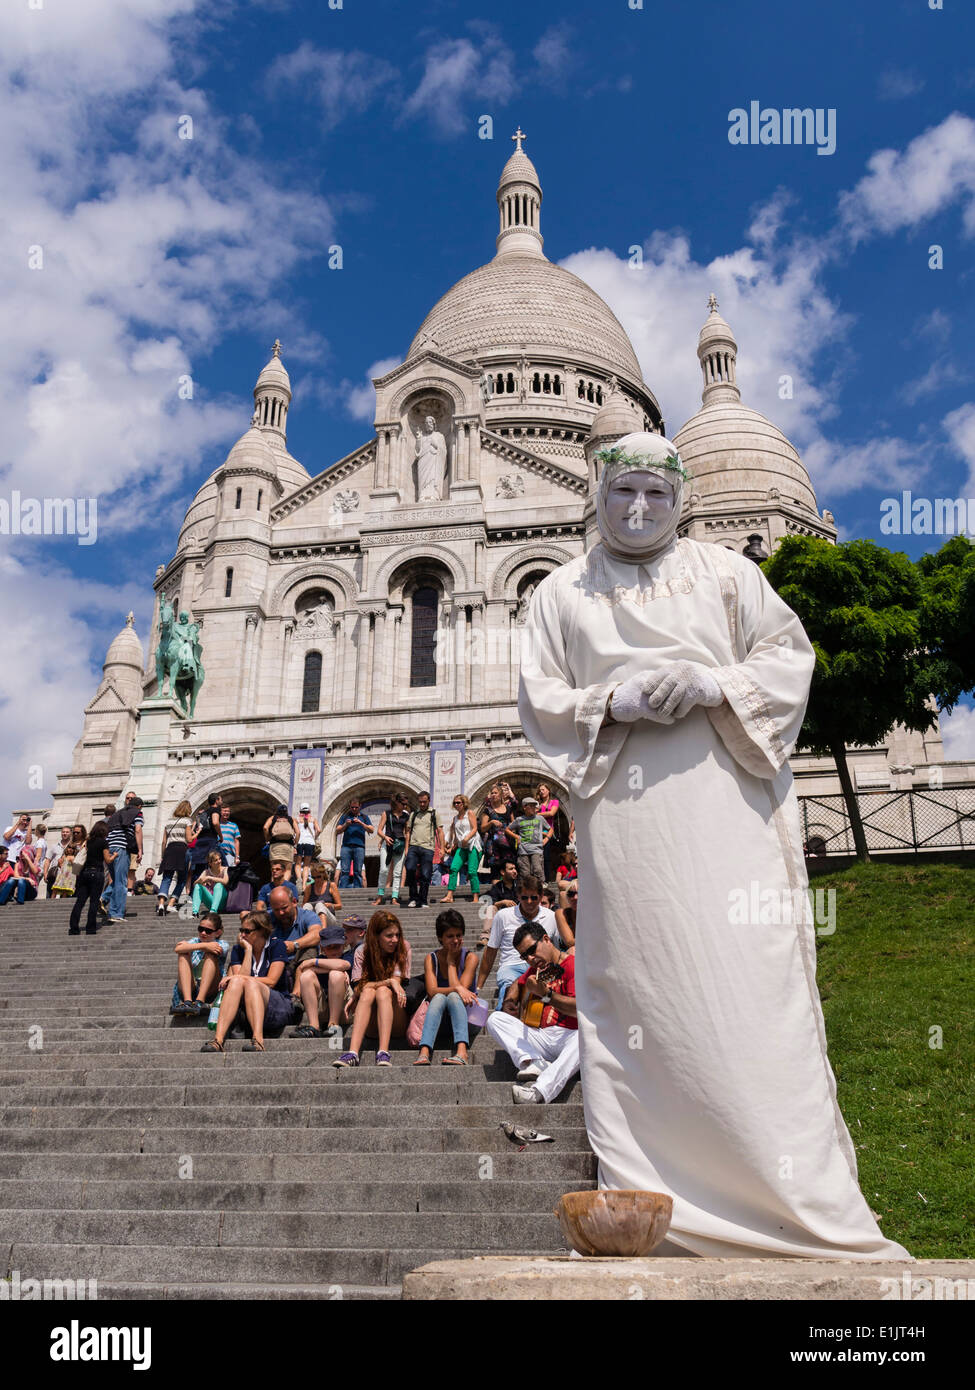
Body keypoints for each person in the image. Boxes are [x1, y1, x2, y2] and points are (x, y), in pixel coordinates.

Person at [518, 428, 910, 1260]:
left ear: (682, 500)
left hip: (725, 813)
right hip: (627, 837)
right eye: (621, 491)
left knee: (746, 993)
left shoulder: (731, 576)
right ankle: (655, 1210)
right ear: (595, 493)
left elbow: (786, 658)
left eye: (655, 494)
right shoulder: (557, 593)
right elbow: (540, 700)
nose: (636, 507)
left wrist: (714, 683)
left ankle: (794, 1204)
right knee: (639, 994)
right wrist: (611, 701)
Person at [486, 922, 579, 1104]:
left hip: (569, 1037)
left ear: (546, 939)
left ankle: (539, 1091)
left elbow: (578, 1009)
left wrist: (546, 995)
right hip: (541, 1038)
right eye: (524, 956)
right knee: (495, 1019)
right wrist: (510, 1001)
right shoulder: (536, 969)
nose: (530, 958)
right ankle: (533, 1061)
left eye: (531, 950)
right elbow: (517, 983)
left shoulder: (572, 965)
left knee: (587, 1036)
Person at [200, 912, 297, 1053]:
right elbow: (240, 980)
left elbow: (271, 981)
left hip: (277, 1005)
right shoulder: (239, 949)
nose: (242, 935)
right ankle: (218, 1040)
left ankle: (258, 1040)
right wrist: (248, 950)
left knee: (249, 982)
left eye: (247, 931)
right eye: (241, 930)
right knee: (238, 982)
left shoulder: (277, 946)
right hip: (247, 1006)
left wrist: (240, 978)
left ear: (262, 931)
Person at [333, 910, 412, 1068]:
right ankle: (353, 1053)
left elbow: (397, 981)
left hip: (396, 1020)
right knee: (368, 991)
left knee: (382, 991)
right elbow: (358, 986)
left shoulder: (403, 947)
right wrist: (388, 981)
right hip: (370, 1025)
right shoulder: (362, 952)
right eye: (389, 936)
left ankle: (383, 1051)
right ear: (376, 936)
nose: (394, 940)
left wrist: (388, 983)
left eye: (397, 935)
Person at [476, 875, 557, 1011]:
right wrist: (478, 987)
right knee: (508, 993)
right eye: (524, 897)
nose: (529, 902)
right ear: (518, 896)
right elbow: (490, 952)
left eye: (534, 897)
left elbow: (557, 949)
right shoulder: (503, 916)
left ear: (541, 895)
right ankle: (505, 1017)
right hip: (511, 967)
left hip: (542, 968)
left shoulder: (551, 916)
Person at [413, 909, 478, 1066]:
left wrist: (451, 962)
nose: (455, 940)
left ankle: (462, 1052)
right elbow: (431, 991)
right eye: (450, 936)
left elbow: (462, 993)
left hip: (468, 1018)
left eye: (458, 935)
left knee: (454, 996)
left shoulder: (470, 958)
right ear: (440, 938)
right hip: (439, 1020)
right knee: (439, 997)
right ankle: (424, 1052)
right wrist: (457, 988)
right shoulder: (431, 958)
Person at [290, 923, 351, 1039]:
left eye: (337, 946)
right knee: (306, 976)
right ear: (322, 948)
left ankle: (334, 1024)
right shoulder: (321, 959)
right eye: (329, 947)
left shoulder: (348, 955)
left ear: (344, 945)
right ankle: (314, 1026)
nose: (333, 951)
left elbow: (343, 964)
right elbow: (304, 969)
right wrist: (332, 968)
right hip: (323, 1009)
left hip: (346, 1010)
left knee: (336, 974)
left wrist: (314, 962)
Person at [171, 912, 231, 1015]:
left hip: (210, 991)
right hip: (190, 988)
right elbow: (178, 948)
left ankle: (199, 1002)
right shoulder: (195, 940)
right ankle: (187, 1002)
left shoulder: (222, 943)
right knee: (183, 954)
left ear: (218, 932)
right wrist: (203, 946)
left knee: (211, 954)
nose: (203, 933)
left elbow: (218, 949)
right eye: (200, 929)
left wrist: (200, 947)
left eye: (208, 931)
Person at [100, 793, 144, 923]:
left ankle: (104, 900)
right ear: (139, 806)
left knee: (116, 881)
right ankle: (116, 913)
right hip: (121, 848)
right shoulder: (137, 813)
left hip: (109, 848)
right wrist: (140, 850)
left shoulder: (116, 814)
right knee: (122, 882)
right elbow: (137, 830)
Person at [67, 820, 114, 935]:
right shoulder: (103, 842)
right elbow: (107, 860)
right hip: (97, 873)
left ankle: (73, 928)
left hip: (85, 873)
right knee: (93, 902)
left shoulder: (88, 841)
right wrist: (115, 856)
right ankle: (90, 928)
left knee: (80, 902)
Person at [439, 795, 482, 904]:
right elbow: (453, 833)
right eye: (455, 803)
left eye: (458, 802)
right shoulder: (455, 818)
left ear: (464, 803)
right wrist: (448, 845)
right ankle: (449, 896)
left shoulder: (470, 813)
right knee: (453, 868)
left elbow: (475, 828)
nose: (456, 805)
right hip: (462, 847)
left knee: (472, 871)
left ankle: (475, 897)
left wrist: (467, 838)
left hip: (472, 845)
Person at [402, 791, 443, 909]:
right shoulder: (414, 814)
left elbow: (440, 832)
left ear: (429, 800)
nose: (422, 804)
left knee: (425, 874)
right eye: (420, 802)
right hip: (413, 847)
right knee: (409, 869)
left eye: (424, 801)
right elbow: (408, 832)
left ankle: (423, 900)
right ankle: (413, 897)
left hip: (428, 848)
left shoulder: (434, 814)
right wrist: (406, 848)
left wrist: (442, 848)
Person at [157, 799, 193, 916]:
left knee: (166, 878)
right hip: (182, 850)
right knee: (182, 879)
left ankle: (161, 904)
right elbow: (189, 840)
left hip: (169, 850)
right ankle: (171, 904)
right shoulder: (187, 821)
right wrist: (197, 832)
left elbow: (163, 842)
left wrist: (163, 856)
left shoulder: (169, 822)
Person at [372, 793, 410, 906]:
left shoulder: (406, 816)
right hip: (387, 844)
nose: (404, 806)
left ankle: (394, 897)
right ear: (397, 802)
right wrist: (385, 837)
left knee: (397, 873)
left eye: (406, 804)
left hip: (400, 845)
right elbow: (379, 830)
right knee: (383, 870)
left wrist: (407, 848)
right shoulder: (386, 813)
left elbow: (407, 833)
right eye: (403, 804)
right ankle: (380, 896)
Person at [505, 795, 551, 880]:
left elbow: (550, 829)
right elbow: (507, 829)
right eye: (531, 806)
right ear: (525, 807)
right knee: (525, 873)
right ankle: (527, 891)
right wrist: (516, 836)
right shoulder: (519, 819)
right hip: (523, 849)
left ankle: (540, 888)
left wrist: (546, 839)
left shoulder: (540, 818)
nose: (534, 808)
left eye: (534, 806)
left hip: (537, 848)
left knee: (537, 869)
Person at [477, 783, 516, 880]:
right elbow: (482, 828)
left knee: (509, 869)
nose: (493, 795)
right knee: (496, 871)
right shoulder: (488, 810)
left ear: (501, 795)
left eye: (496, 793)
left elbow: (514, 824)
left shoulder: (508, 808)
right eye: (492, 793)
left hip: (508, 844)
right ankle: (497, 892)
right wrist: (491, 823)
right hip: (493, 847)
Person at [336, 799, 373, 888]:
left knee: (358, 870)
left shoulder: (364, 817)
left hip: (359, 846)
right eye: (352, 807)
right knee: (345, 870)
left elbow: (371, 830)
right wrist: (346, 824)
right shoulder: (345, 817)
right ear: (350, 807)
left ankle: (358, 889)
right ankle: (342, 890)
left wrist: (361, 823)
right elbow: (338, 830)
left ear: (360, 806)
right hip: (346, 846)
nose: (354, 809)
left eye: (356, 807)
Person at [536, 783, 562, 880]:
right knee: (538, 856)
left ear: (548, 790)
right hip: (538, 831)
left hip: (549, 831)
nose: (541, 792)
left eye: (543, 789)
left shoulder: (554, 802)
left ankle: (547, 878)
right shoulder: (538, 804)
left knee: (546, 856)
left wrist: (538, 814)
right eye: (540, 790)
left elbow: (552, 813)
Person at [293, 803, 321, 892]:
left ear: (300, 811)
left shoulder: (296, 819)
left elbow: (296, 832)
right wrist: (314, 837)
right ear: (309, 811)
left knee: (298, 864)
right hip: (310, 843)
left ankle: (299, 880)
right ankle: (304, 885)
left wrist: (294, 844)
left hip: (300, 842)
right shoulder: (313, 819)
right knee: (306, 865)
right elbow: (319, 830)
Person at [191, 851, 229, 915]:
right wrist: (200, 881)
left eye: (219, 859)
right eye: (216, 860)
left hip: (223, 902)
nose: (219, 861)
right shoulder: (206, 871)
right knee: (198, 886)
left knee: (218, 885)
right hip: (210, 901)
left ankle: (213, 911)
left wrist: (210, 878)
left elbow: (225, 881)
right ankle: (195, 912)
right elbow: (195, 885)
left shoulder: (225, 869)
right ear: (210, 863)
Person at [45, 827, 73, 896]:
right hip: (54, 873)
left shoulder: (73, 847)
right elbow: (48, 860)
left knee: (64, 898)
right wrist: (45, 873)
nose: (64, 833)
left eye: (67, 832)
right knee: (50, 895)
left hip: (67, 875)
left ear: (70, 834)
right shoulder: (54, 846)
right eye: (63, 832)